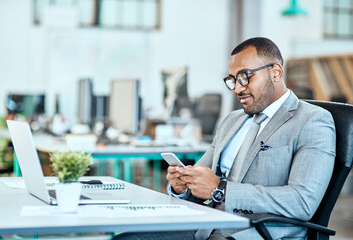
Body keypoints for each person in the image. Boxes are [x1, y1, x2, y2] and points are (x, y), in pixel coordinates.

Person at [115, 37, 336, 239]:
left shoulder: (312, 121)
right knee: (128, 237)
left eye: (246, 77)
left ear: (276, 72)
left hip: (255, 232)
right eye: (232, 80)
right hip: (205, 225)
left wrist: (221, 189)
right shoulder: (232, 120)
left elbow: (302, 202)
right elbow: (202, 181)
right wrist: (182, 186)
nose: (238, 88)